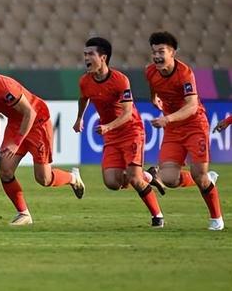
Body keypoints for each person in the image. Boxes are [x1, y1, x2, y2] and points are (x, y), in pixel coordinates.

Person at [0, 49, 85, 226]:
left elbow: (30, 112)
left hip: (38, 123)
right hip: (16, 124)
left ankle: (72, 178)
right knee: (5, 170)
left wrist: (16, 143)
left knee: (44, 179)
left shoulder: (5, 87)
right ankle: (24, 214)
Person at [73, 37, 164, 228]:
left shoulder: (120, 80)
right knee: (112, 182)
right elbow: (83, 98)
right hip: (111, 135)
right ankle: (149, 176)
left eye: (90, 54)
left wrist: (107, 127)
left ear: (103, 57)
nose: (86, 58)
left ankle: (157, 217)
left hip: (131, 131)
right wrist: (80, 118)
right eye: (85, 54)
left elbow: (127, 113)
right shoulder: (85, 81)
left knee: (134, 179)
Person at [145, 31, 223, 230]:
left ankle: (216, 218)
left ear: (172, 52)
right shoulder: (151, 71)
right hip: (173, 130)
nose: (156, 56)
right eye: (154, 52)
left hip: (195, 126)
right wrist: (154, 98)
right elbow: (153, 85)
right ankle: (206, 179)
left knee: (200, 176)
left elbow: (192, 106)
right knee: (169, 179)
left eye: (161, 52)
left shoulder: (184, 73)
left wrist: (167, 118)